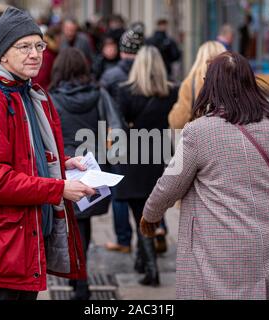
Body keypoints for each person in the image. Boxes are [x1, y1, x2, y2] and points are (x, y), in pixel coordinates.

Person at [140, 51, 269, 299]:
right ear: (250, 82)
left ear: (212, 85)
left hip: (217, 242)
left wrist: (151, 215)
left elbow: (170, 184)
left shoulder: (198, 131)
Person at [0, 7, 95, 300]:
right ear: (4, 53)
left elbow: (24, 156)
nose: (35, 54)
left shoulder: (23, 91)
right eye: (24, 46)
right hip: (0, 246)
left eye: (39, 45)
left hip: (23, 237)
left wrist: (62, 164)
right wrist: (59, 188)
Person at [48, 47, 113, 300]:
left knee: (67, 225)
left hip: (64, 169)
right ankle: (80, 280)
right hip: (93, 169)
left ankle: (78, 280)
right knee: (83, 224)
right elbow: (116, 130)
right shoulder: (99, 95)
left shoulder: (51, 98)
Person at [114, 45, 179, 286]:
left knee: (138, 214)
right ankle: (143, 260)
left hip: (134, 157)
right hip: (160, 156)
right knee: (151, 212)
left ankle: (151, 270)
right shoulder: (172, 91)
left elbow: (119, 124)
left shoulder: (125, 92)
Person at [100, 26, 144, 254]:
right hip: (146, 139)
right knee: (148, 189)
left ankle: (124, 240)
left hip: (117, 139)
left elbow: (103, 110)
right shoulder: (147, 73)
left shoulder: (111, 76)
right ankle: (157, 230)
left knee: (119, 190)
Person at [168, 41, 226, 129]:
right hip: (228, 137)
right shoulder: (233, 81)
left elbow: (178, 122)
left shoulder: (190, 83)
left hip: (199, 138)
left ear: (200, 59)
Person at [32, 25, 62, 90]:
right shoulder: (47, 54)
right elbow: (40, 80)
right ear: (55, 37)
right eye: (60, 37)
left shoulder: (52, 51)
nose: (61, 39)